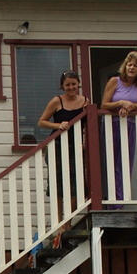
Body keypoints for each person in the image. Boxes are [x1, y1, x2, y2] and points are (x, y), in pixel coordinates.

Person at [100, 51, 137, 204]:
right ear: (125, 66)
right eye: (130, 64)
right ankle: (109, 199)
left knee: (125, 162)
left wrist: (130, 107)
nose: (132, 68)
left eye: (136, 66)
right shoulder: (115, 81)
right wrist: (121, 103)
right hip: (112, 124)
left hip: (130, 125)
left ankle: (119, 201)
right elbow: (104, 104)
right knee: (110, 161)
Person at [37, 70, 89, 200]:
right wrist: (58, 125)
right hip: (57, 146)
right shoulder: (57, 101)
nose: (71, 87)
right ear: (62, 86)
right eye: (67, 85)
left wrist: (84, 142)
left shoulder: (85, 101)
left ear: (78, 84)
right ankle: (59, 218)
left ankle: (68, 221)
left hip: (75, 147)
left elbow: (87, 124)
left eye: (74, 84)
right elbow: (41, 122)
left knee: (75, 184)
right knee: (57, 184)